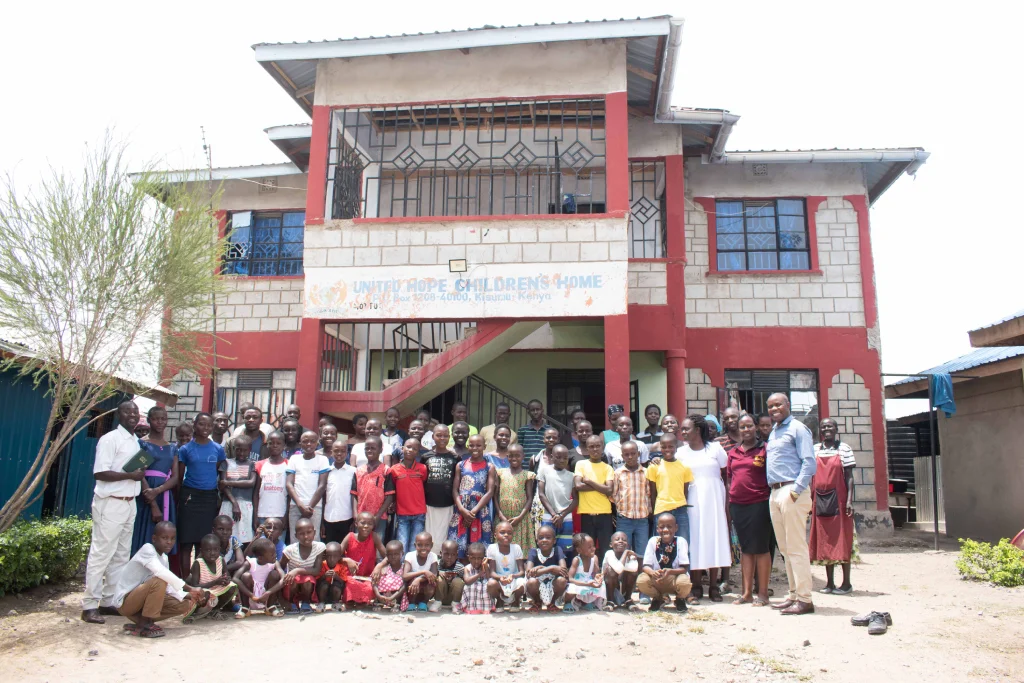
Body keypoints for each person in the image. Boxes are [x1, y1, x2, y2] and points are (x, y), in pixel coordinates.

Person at [82, 401, 146, 625]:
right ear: (119, 415)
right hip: (111, 503)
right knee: (101, 554)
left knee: (120, 555)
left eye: (135, 411)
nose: (132, 414)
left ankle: (108, 601)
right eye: (127, 411)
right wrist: (129, 476)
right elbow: (100, 473)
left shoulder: (136, 441)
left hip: (129, 503)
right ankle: (89, 605)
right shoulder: (110, 439)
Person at [765, 393, 817, 615]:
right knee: (785, 548)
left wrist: (796, 490)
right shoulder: (774, 431)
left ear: (788, 405)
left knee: (796, 547)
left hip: (791, 491)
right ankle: (794, 594)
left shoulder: (798, 428)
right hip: (775, 492)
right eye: (770, 406)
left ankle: (805, 599)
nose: (774, 408)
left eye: (778, 404)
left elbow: (809, 462)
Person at [115, 521, 208, 637]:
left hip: (141, 602)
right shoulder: (147, 549)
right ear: (154, 538)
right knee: (159, 581)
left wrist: (191, 595)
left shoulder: (164, 558)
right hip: (126, 602)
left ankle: (143, 621)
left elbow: (168, 587)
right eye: (164, 538)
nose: (169, 542)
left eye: (173, 538)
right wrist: (190, 588)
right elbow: (162, 573)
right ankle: (145, 624)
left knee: (183, 604)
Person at [677, 415, 730, 604]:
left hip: (714, 497)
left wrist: (727, 500)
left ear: (697, 430)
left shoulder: (715, 448)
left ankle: (714, 585)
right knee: (696, 539)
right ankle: (696, 584)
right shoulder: (681, 453)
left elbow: (725, 473)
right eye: (682, 429)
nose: (682, 432)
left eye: (686, 429)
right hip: (692, 498)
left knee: (713, 537)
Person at [727, 414, 772, 606]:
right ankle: (746, 593)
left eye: (749, 426)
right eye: (742, 427)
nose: (746, 430)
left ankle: (762, 593)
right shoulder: (733, 452)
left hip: (759, 503)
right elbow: (729, 478)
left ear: (756, 427)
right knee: (746, 549)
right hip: (738, 505)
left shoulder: (765, 450)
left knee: (761, 549)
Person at [175, 412, 227, 578]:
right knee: (186, 543)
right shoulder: (185, 449)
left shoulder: (218, 449)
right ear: (194, 425)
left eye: (209, 425)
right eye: (202, 424)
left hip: (209, 498)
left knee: (202, 543)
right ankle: (185, 582)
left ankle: (201, 581)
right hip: (189, 497)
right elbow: (179, 477)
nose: (205, 428)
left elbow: (216, 470)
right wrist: (179, 499)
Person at [810, 418, 857, 595]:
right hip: (819, 500)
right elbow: (811, 475)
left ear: (836, 429)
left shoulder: (845, 449)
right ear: (820, 430)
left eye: (830, 426)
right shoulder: (815, 449)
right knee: (825, 541)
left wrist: (850, 500)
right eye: (823, 427)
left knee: (843, 540)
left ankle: (846, 583)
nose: (826, 429)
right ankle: (829, 583)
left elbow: (849, 477)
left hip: (840, 501)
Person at [132, 406, 179, 557]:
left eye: (163, 419)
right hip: (146, 495)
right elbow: (139, 472)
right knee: (145, 531)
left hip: (163, 495)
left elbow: (175, 477)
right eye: (155, 419)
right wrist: (152, 501)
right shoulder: (144, 445)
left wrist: (157, 491)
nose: (160, 422)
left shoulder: (172, 448)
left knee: (164, 535)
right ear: (149, 420)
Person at [448, 434, 496, 558]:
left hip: (480, 509)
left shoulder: (489, 467)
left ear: (484, 446)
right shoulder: (461, 465)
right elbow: (455, 489)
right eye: (472, 445)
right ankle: (461, 570)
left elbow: (490, 491)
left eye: (479, 445)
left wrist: (474, 510)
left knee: (479, 541)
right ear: (468, 446)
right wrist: (462, 510)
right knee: (460, 539)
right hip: (462, 508)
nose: (475, 448)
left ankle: (479, 571)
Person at [637, 513, 692, 612]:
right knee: (642, 580)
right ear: (657, 529)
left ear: (676, 528)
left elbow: (684, 568)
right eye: (662, 527)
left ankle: (680, 599)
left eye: (669, 527)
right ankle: (658, 598)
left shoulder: (681, 542)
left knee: (684, 582)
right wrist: (653, 573)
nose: (666, 530)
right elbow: (645, 566)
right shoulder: (653, 541)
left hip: (674, 578)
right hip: (657, 579)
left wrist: (670, 572)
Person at [647, 432, 694, 544]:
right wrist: (654, 512)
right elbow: (653, 493)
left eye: (671, 446)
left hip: (680, 510)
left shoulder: (684, 467)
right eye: (664, 447)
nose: (667, 449)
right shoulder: (654, 467)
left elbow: (685, 492)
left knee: (683, 543)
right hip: (661, 510)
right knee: (660, 545)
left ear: (676, 447)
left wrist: (680, 504)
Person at [573, 435, 614, 558]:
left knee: (606, 548)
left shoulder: (608, 468)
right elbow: (578, 486)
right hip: (587, 514)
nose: (595, 449)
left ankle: (605, 575)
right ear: (587, 448)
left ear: (602, 447)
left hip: (605, 513)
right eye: (591, 446)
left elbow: (610, 490)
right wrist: (601, 487)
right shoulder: (581, 464)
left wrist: (589, 481)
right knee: (586, 548)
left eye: (598, 446)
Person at [286, 430, 330, 542]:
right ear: (300, 443)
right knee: (295, 540)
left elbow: (322, 485)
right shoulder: (294, 459)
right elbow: (289, 484)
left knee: (313, 540)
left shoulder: (323, 460)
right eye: (305, 441)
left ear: (317, 443)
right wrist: (301, 506)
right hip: (296, 506)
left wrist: (309, 508)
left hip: (314, 508)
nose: (309, 444)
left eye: (312, 441)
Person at [422, 424, 460, 553]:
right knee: (430, 535)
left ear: (450, 437)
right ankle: (430, 561)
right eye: (439, 435)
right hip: (430, 504)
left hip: (448, 504)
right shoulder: (426, 457)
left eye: (445, 435)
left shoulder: (455, 458)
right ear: (433, 436)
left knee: (445, 535)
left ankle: (442, 563)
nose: (442, 438)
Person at [612, 441, 651, 558]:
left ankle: (640, 575)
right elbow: (614, 495)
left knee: (642, 552)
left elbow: (649, 493)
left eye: (633, 453)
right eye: (626, 454)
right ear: (622, 456)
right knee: (623, 551)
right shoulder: (618, 473)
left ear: (638, 454)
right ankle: (623, 576)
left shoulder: (646, 472)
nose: (630, 457)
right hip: (624, 518)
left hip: (642, 519)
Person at [391, 438, 429, 556]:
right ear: (402, 448)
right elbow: (393, 490)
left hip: (419, 513)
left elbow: (424, 483)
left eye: (414, 448)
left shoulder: (423, 468)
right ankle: (402, 570)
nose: (410, 450)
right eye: (408, 447)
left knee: (415, 544)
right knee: (402, 543)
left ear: (417, 452)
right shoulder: (394, 469)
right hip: (402, 514)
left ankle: (412, 570)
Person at [339, 512, 386, 608]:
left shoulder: (374, 537)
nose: (366, 526)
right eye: (363, 523)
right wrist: (347, 560)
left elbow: (388, 556)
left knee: (369, 587)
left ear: (373, 526)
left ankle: (362, 601)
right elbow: (334, 556)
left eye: (370, 524)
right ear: (356, 524)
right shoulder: (350, 537)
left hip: (367, 576)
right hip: (350, 576)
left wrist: (379, 566)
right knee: (351, 584)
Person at [279, 517, 326, 614]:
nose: (306, 536)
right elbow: (280, 567)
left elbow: (316, 570)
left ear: (314, 532)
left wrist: (297, 570)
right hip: (293, 584)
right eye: (301, 534)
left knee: (308, 579)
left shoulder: (319, 547)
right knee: (294, 579)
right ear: (296, 535)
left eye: (309, 532)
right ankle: (291, 603)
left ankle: (306, 603)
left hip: (308, 585)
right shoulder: (290, 550)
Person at [537, 444, 577, 556]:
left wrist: (562, 515)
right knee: (547, 546)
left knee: (565, 548)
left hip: (566, 516)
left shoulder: (571, 475)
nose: (562, 460)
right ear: (551, 456)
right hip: (549, 515)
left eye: (565, 458)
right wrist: (555, 515)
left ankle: (563, 570)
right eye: (558, 457)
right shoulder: (544, 471)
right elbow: (541, 494)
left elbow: (576, 499)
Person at [495, 444, 536, 552]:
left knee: (520, 546)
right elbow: (495, 495)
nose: (514, 458)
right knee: (502, 542)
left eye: (517, 456)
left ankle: (520, 566)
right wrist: (500, 514)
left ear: (523, 456)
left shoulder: (527, 475)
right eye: (511, 456)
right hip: (503, 516)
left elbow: (529, 498)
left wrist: (520, 517)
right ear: (507, 456)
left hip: (520, 517)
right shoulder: (500, 472)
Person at [351, 436, 393, 538]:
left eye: (373, 448)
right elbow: (354, 494)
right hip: (361, 517)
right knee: (360, 546)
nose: (369, 450)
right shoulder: (358, 471)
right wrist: (355, 514)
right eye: (367, 448)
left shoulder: (386, 470)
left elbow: (390, 496)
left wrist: (378, 516)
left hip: (379, 517)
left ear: (381, 450)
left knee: (377, 548)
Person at [186, 533, 238, 614]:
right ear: (202, 551)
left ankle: (215, 609)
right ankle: (200, 611)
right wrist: (215, 582)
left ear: (219, 550)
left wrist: (226, 580)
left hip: (216, 591)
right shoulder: (198, 563)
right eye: (208, 550)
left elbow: (227, 576)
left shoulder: (221, 560)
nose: (212, 553)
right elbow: (195, 586)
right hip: (204, 591)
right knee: (206, 594)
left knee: (232, 587)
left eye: (216, 549)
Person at [218, 435, 256, 546]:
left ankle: (241, 560)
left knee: (244, 538)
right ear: (234, 449)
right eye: (238, 449)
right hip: (228, 504)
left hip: (246, 505)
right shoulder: (226, 463)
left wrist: (228, 482)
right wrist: (234, 503)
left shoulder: (252, 464)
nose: (241, 453)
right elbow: (222, 485)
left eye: (245, 450)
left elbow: (251, 483)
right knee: (225, 536)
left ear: (250, 450)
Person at [233, 536, 284, 618]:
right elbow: (235, 578)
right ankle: (245, 608)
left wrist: (268, 592)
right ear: (260, 557)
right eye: (272, 554)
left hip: (267, 597)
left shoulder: (275, 563)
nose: (275, 555)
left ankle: (270, 607)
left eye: (275, 552)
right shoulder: (250, 563)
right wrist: (252, 596)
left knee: (275, 574)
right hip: (250, 597)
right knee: (245, 576)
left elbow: (283, 579)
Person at [525, 525, 568, 612]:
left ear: (554, 540)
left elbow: (563, 571)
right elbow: (529, 573)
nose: (544, 540)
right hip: (537, 585)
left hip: (552, 584)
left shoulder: (557, 550)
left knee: (562, 581)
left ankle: (552, 602)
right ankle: (537, 601)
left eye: (548, 537)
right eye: (541, 538)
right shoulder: (533, 552)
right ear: (537, 541)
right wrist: (551, 568)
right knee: (531, 582)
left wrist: (539, 569)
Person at [486, 521, 526, 613]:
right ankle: (499, 601)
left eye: (509, 533)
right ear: (495, 535)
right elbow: (492, 572)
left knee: (522, 582)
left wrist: (513, 576)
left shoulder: (516, 548)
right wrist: (501, 578)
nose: (506, 535)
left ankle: (515, 602)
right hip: (499, 580)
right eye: (502, 532)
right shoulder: (492, 548)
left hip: (514, 579)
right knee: (491, 584)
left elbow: (521, 572)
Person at [253, 431, 289, 530]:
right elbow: (256, 492)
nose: (275, 446)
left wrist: (286, 515)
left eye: (278, 443)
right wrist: (255, 515)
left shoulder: (289, 465)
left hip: (280, 514)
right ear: (267, 445)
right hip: (262, 514)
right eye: (271, 443)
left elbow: (290, 494)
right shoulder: (259, 465)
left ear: (284, 446)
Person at [323, 440, 357, 543]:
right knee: (330, 550)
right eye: (336, 451)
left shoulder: (353, 471)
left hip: (347, 518)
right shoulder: (326, 471)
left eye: (343, 451)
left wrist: (354, 520)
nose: (339, 454)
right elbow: (323, 497)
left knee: (345, 551)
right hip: (329, 518)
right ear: (331, 452)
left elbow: (355, 495)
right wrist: (322, 523)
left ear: (347, 453)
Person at [564, 533, 606, 611]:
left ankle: (585, 603)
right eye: (589, 547)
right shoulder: (577, 560)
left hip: (588, 583)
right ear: (579, 550)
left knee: (602, 585)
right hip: (578, 583)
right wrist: (586, 584)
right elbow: (570, 579)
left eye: (593, 546)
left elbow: (596, 574)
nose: (593, 549)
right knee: (573, 588)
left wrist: (598, 580)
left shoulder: (594, 558)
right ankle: (568, 603)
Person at [603, 531, 640, 610]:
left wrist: (627, 556)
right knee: (611, 571)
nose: (621, 541)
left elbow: (634, 569)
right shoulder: (609, 553)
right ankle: (610, 600)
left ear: (627, 545)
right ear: (611, 544)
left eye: (624, 540)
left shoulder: (631, 555)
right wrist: (625, 553)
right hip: (608, 589)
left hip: (623, 587)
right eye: (617, 539)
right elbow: (618, 569)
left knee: (633, 573)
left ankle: (628, 599)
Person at [403, 531, 438, 612]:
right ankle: (411, 603)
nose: (423, 548)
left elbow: (434, 575)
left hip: (425, 588)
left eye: (427, 545)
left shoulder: (433, 556)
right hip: (411, 589)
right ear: (415, 545)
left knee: (432, 583)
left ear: (431, 545)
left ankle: (424, 603)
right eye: (420, 545)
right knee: (412, 581)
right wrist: (423, 572)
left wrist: (418, 579)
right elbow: (405, 576)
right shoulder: (410, 555)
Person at [315, 541, 353, 612]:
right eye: (329, 556)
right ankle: (321, 603)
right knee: (324, 585)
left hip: (335, 592)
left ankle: (336, 603)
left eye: (335, 556)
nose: (332, 559)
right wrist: (324, 576)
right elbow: (317, 580)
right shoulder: (322, 565)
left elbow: (343, 581)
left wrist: (336, 577)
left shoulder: (342, 566)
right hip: (323, 592)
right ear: (325, 556)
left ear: (339, 557)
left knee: (337, 585)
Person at [456, 542, 492, 614]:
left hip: (484, 592)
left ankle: (485, 608)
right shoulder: (467, 568)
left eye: (479, 558)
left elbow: (489, 579)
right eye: (473, 558)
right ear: (469, 558)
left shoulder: (486, 566)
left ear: (484, 558)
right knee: (470, 586)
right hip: (472, 590)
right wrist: (479, 574)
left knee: (486, 586)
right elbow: (467, 581)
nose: (476, 561)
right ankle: (471, 608)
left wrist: (485, 567)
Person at [373, 540, 408, 612]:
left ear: (402, 554)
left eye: (396, 554)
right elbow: (374, 582)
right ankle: (379, 603)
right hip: (382, 596)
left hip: (396, 596)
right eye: (390, 554)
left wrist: (392, 597)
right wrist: (378, 595)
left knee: (403, 584)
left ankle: (396, 604)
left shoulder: (404, 568)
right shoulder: (383, 568)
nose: (393, 557)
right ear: (386, 555)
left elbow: (405, 585)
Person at [436, 539, 465, 609]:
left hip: (453, 597)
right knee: (439, 579)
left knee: (458, 581)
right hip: (440, 596)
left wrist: (454, 578)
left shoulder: (460, 567)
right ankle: (437, 603)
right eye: (446, 554)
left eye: (453, 555)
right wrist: (438, 573)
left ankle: (456, 604)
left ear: (457, 555)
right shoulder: (436, 564)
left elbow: (465, 582)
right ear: (441, 553)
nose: (449, 557)